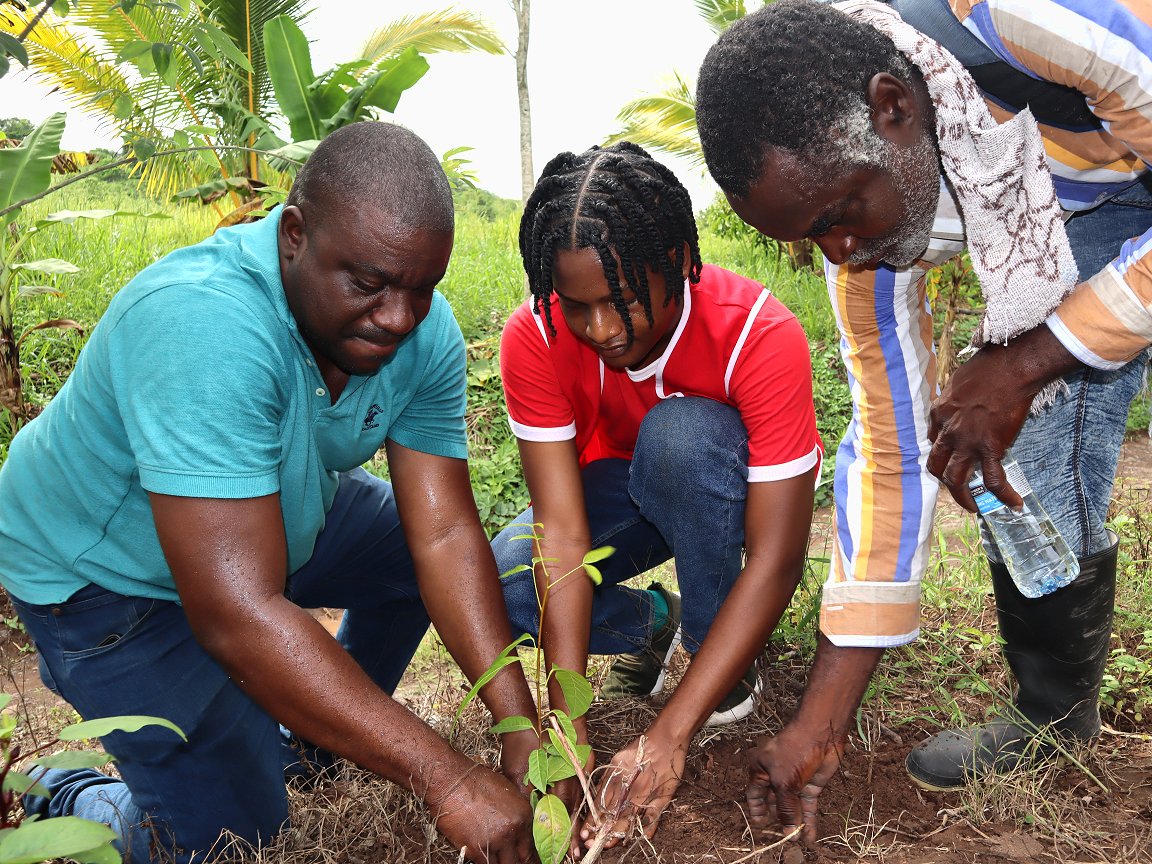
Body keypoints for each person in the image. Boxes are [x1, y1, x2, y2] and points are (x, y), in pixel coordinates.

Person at [0, 122, 541, 864]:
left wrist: (522, 730)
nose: (398, 318)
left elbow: (443, 538)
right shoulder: (202, 322)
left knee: (409, 563)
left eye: (422, 288)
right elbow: (238, 614)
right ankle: (66, 790)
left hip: (262, 516)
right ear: (293, 235)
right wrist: (447, 780)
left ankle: (308, 741)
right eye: (368, 283)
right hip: (102, 578)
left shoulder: (421, 330)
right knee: (234, 842)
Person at [694, 0, 1152, 841]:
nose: (839, 253)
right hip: (1088, 209)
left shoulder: (1025, 20)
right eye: (809, 241)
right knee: (1013, 456)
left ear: (893, 106)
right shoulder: (861, 246)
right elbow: (890, 451)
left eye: (836, 216)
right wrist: (822, 723)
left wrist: (1027, 359)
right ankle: (1058, 715)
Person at [490, 142, 822, 847]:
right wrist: (569, 732)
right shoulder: (536, 334)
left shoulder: (757, 334)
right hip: (617, 496)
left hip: (717, 488)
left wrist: (669, 734)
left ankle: (717, 660)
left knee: (680, 439)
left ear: (675, 259)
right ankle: (656, 622)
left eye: (622, 299)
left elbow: (778, 557)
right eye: (577, 307)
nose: (603, 330)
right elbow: (562, 539)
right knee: (506, 583)